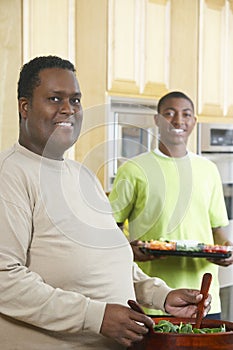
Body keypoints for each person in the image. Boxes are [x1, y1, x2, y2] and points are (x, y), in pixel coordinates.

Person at [0, 58, 211, 350]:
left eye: (75, 100)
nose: (68, 109)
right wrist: (95, 317)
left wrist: (159, 295)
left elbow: (111, 259)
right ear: (25, 107)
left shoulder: (82, 175)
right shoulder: (10, 174)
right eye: (54, 99)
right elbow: (4, 279)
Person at [109, 91, 233, 319]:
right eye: (169, 113)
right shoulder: (133, 169)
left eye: (186, 114)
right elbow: (109, 227)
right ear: (157, 120)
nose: (178, 120)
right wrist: (129, 250)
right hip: (152, 301)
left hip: (204, 299)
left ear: (193, 122)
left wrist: (227, 249)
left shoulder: (208, 170)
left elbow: (219, 230)